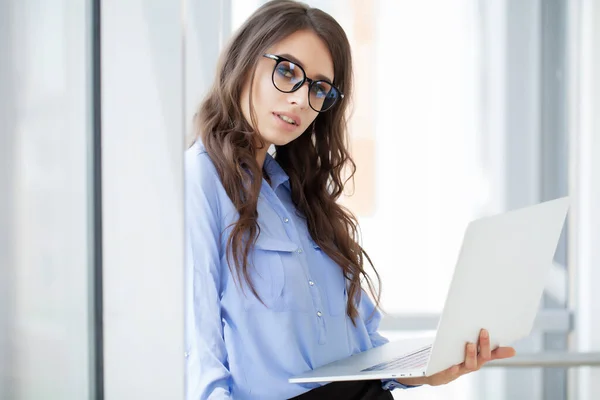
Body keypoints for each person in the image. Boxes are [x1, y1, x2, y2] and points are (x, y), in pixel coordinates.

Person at [184, 1, 516, 399]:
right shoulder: (199, 181)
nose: (301, 100)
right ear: (244, 60)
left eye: (319, 88)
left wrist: (432, 368)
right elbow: (197, 355)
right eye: (287, 71)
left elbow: (365, 350)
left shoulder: (301, 200)